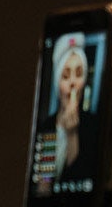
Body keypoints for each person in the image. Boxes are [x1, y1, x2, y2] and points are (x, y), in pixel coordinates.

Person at [40, 32, 100, 185]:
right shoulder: (46, 127)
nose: (73, 82)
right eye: (66, 76)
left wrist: (72, 134)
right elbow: (43, 183)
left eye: (78, 74)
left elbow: (81, 177)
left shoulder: (94, 125)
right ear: (57, 84)